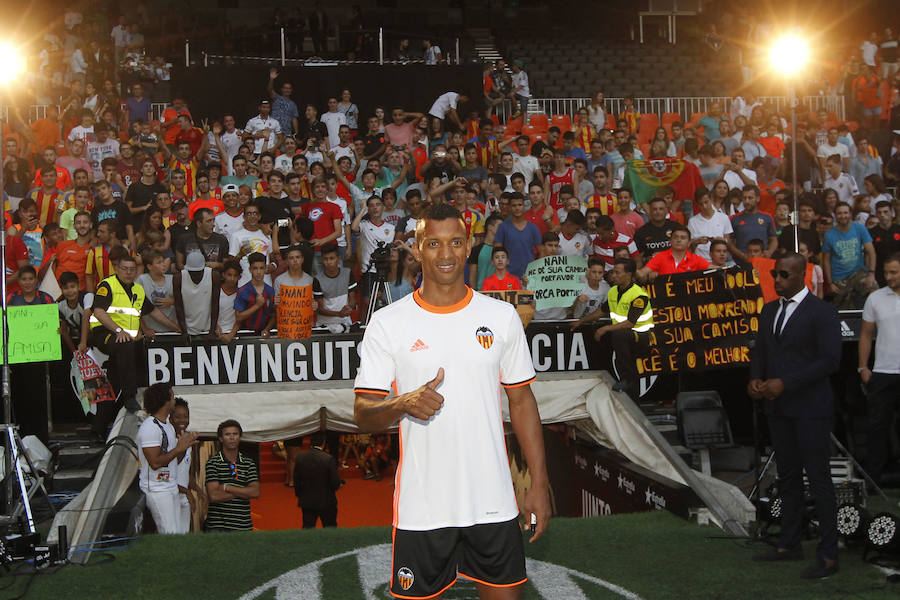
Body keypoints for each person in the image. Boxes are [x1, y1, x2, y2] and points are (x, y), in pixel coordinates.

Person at [353, 203, 550, 599]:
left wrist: (539, 483)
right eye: (434, 244)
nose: (445, 254)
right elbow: (363, 415)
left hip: (492, 500)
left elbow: (522, 402)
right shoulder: (388, 323)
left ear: (468, 247)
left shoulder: (502, 317)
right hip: (423, 507)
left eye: (455, 242)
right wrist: (402, 402)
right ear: (417, 249)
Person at [749, 252, 841, 579]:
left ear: (802, 275)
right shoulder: (770, 309)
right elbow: (761, 350)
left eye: (785, 275)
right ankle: (789, 542)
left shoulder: (822, 311)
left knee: (818, 480)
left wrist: (785, 383)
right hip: (779, 409)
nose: (778, 280)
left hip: (811, 408)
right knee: (787, 476)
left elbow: (830, 361)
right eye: (775, 274)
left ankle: (828, 555)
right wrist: (755, 379)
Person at [89, 254, 181, 437]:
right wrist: (117, 330)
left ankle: (98, 429)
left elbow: (152, 312)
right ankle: (129, 396)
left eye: (132, 269)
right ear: (116, 269)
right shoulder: (107, 285)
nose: (129, 273)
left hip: (127, 339)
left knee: (114, 383)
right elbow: (98, 311)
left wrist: (178, 329)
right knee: (126, 346)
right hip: (106, 334)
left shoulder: (138, 289)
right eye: (125, 269)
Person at [571, 258, 653, 398]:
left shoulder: (639, 295)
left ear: (628, 274)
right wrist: (581, 321)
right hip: (623, 332)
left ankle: (626, 379)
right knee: (599, 333)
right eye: (613, 272)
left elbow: (630, 323)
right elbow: (602, 311)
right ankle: (602, 373)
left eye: (617, 272)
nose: (613, 276)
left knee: (618, 335)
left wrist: (605, 329)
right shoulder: (614, 290)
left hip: (641, 334)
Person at [858, 253, 900, 486]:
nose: (888, 277)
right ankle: (873, 480)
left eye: (894, 272)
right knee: (877, 427)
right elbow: (865, 335)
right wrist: (863, 367)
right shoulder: (875, 298)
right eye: (886, 272)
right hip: (882, 372)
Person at [137, 384, 198, 535]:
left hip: (170, 486)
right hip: (157, 489)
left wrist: (183, 447)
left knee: (177, 534)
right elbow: (155, 463)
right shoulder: (149, 427)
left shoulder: (168, 427)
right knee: (169, 535)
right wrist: (178, 448)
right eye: (172, 396)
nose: (174, 399)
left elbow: (173, 461)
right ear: (165, 401)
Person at [205, 419, 259, 532]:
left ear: (240, 437)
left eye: (235, 434)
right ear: (220, 438)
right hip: (218, 527)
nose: (232, 437)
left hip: (243, 525)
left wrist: (227, 488)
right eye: (227, 434)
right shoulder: (213, 463)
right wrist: (243, 492)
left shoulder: (248, 463)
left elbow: (255, 492)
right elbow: (214, 496)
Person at [822, 202, 877, 309]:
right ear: (835, 215)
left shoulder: (860, 229)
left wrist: (871, 274)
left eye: (846, 213)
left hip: (859, 272)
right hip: (839, 277)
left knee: (874, 290)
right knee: (842, 309)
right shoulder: (829, 235)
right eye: (840, 213)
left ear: (851, 214)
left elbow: (871, 252)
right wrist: (830, 283)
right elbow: (826, 260)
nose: (843, 216)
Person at [293, 431, 341, 528]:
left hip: (307, 500)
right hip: (326, 500)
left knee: (308, 530)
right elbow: (335, 482)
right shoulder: (328, 459)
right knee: (330, 529)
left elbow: (296, 480)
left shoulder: (300, 457)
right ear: (323, 443)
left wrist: (300, 494)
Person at [494, 193, 542, 280]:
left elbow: (542, 253)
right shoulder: (502, 227)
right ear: (509, 208)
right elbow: (497, 253)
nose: (517, 208)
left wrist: (537, 272)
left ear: (524, 206)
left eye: (519, 205)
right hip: (508, 277)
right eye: (514, 205)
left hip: (530, 277)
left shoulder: (533, 228)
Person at [174, 251, 220, 336]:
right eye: (192, 272)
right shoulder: (178, 278)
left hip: (207, 328)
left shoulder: (214, 275)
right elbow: (178, 306)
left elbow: (215, 304)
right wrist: (184, 331)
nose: (195, 275)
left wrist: (212, 330)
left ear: (204, 268)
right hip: (186, 328)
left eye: (198, 272)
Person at [638, 226, 710, 280]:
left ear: (689, 243)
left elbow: (714, 270)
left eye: (683, 238)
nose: (679, 240)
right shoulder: (660, 257)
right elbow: (641, 273)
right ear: (670, 241)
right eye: (675, 237)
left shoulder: (696, 259)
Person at [234, 252, 276, 336]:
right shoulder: (243, 291)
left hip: (263, 333)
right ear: (250, 270)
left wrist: (267, 329)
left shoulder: (270, 291)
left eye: (261, 268)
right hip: (245, 333)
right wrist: (257, 305)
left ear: (265, 269)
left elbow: (273, 315)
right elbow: (238, 317)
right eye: (255, 268)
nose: (259, 272)